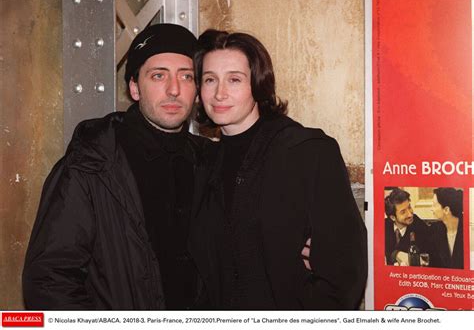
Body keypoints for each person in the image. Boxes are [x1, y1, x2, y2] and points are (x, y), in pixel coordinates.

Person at [22, 24, 211, 309]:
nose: (174, 90)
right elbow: (49, 280)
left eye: (186, 76)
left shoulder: (210, 161)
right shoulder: (91, 165)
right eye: (158, 75)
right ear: (134, 87)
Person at [188, 29, 367, 310]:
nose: (220, 93)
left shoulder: (307, 152)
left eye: (235, 79)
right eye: (210, 80)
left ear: (258, 84)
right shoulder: (204, 162)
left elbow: (344, 274)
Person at [384, 188, 433, 266]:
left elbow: (428, 252)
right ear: (393, 217)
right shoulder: (384, 225)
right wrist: (396, 254)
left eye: (409, 207)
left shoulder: (419, 225)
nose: (410, 214)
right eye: (403, 212)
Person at [430, 188, 463, 269]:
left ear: (446, 210)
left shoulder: (469, 230)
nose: (431, 209)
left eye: (434, 205)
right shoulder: (435, 230)